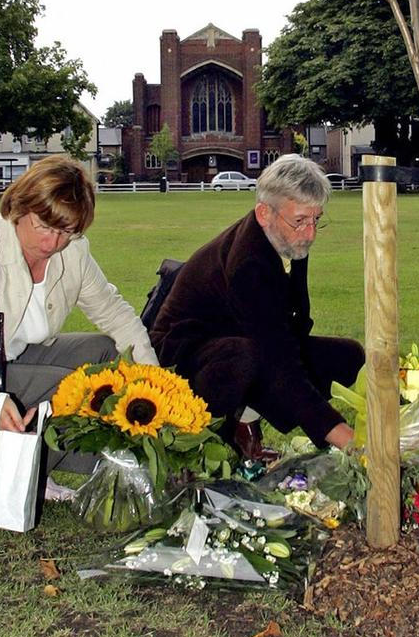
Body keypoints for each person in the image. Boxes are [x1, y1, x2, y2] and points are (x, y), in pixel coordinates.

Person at [0, 155, 157, 513]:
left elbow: (116, 315)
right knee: (71, 386)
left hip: (15, 364)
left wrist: (156, 383)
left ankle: (38, 467)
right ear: (20, 207)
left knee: (106, 354)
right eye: (44, 226)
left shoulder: (74, 254)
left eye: (67, 231)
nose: (53, 243)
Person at [150, 154, 363, 458]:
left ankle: (247, 416)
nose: (311, 232)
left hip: (240, 338)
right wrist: (342, 436)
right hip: (184, 357)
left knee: (347, 355)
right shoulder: (249, 263)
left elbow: (294, 324)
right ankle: (209, 444)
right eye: (301, 220)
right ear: (264, 213)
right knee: (249, 358)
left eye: (316, 219)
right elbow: (277, 358)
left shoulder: (287, 237)